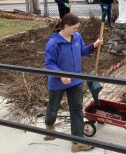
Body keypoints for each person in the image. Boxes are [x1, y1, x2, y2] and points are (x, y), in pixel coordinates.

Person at [44, 13, 103, 152]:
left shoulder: (77, 37)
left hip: (75, 80)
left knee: (76, 109)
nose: (77, 30)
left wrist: (94, 45)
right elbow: (49, 63)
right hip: (58, 82)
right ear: (66, 26)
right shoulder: (53, 43)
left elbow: (81, 51)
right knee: (53, 106)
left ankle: (77, 142)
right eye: (75, 28)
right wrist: (61, 75)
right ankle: (49, 126)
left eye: (77, 28)